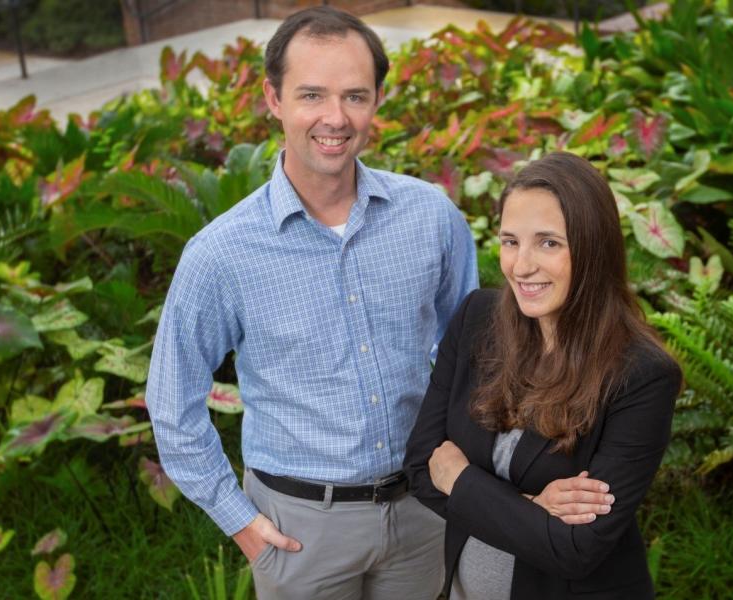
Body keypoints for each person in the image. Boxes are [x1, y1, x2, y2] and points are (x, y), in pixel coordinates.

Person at [144, 7, 481, 600]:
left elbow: (476, 357)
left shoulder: (431, 218)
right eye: (311, 95)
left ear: (378, 98)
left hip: (424, 514)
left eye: (355, 95)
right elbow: (172, 402)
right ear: (273, 98)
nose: (335, 118)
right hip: (298, 533)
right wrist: (240, 522)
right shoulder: (222, 253)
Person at [404, 151, 683, 599]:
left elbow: (576, 548)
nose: (521, 265)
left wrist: (460, 480)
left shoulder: (642, 376)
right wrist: (531, 508)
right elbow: (421, 466)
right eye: (510, 241)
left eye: (548, 243)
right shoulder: (477, 319)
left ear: (592, 248)